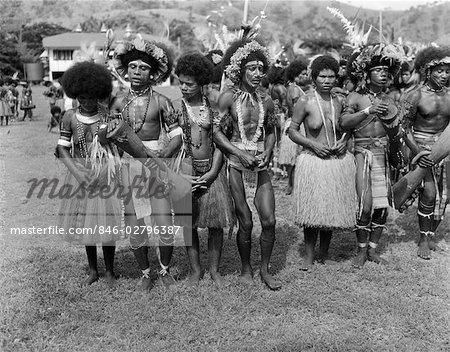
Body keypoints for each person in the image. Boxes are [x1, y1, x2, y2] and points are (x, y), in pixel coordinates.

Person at [109, 37, 182, 290]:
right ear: (125, 70)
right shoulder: (118, 102)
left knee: (164, 220)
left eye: (143, 67)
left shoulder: (162, 101)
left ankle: (164, 270)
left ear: (153, 73)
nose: (137, 72)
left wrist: (162, 158)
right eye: (133, 67)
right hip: (129, 167)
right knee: (135, 221)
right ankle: (144, 273)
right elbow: (110, 136)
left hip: (156, 167)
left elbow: (177, 137)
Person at [213, 38, 281, 290]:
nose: (257, 73)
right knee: (246, 222)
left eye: (260, 68)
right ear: (239, 70)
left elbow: (272, 131)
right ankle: (245, 268)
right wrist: (238, 153)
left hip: (260, 165)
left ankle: (264, 269)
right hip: (236, 164)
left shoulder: (267, 99)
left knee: (270, 221)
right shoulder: (227, 97)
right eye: (251, 68)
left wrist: (269, 152)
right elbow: (217, 133)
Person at [56, 61, 123, 287]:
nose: (85, 102)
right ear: (74, 94)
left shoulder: (108, 116)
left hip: (105, 176)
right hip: (80, 177)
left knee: (106, 225)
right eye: (81, 98)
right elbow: (62, 149)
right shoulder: (69, 117)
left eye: (90, 98)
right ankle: (93, 270)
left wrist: (106, 169)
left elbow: (117, 148)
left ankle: (110, 271)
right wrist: (77, 173)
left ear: (99, 95)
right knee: (88, 224)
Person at [288, 55, 357, 270]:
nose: (327, 81)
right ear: (314, 77)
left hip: (337, 160)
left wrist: (344, 142)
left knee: (331, 208)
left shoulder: (340, 101)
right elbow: (291, 130)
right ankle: (308, 256)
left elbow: (348, 129)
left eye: (331, 77)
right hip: (314, 160)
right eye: (322, 76)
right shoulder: (305, 101)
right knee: (313, 211)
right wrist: (312, 144)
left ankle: (324, 253)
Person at [340, 43, 405, 268]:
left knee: (382, 205)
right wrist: (368, 111)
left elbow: (396, 131)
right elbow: (344, 123)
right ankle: (360, 250)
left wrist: (396, 134)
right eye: (378, 70)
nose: (383, 73)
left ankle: (373, 250)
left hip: (383, 154)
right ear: (366, 74)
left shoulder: (390, 99)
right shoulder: (356, 97)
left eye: (386, 71)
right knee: (365, 204)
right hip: (362, 153)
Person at [175, 52, 235, 287]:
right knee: (188, 223)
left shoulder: (214, 109)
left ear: (201, 83)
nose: (183, 87)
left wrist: (212, 173)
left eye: (189, 83)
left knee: (215, 224)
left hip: (212, 171)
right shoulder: (175, 109)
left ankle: (214, 270)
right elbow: (172, 142)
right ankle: (195, 270)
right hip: (186, 171)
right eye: (181, 82)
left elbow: (220, 143)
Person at [400, 46, 450, 260]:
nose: (444, 75)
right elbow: (404, 128)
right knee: (429, 193)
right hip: (421, 150)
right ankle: (422, 239)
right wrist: (417, 152)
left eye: (448, 71)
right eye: (439, 70)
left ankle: (430, 234)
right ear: (428, 70)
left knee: (444, 197)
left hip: (445, 149)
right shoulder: (414, 95)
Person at [282, 57, 309, 195]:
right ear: (295, 75)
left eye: (306, 74)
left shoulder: (294, 87)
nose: (305, 76)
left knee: (294, 158)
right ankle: (292, 185)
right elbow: (296, 110)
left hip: (293, 122)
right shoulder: (295, 90)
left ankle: (292, 184)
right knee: (296, 157)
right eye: (302, 74)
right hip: (297, 124)